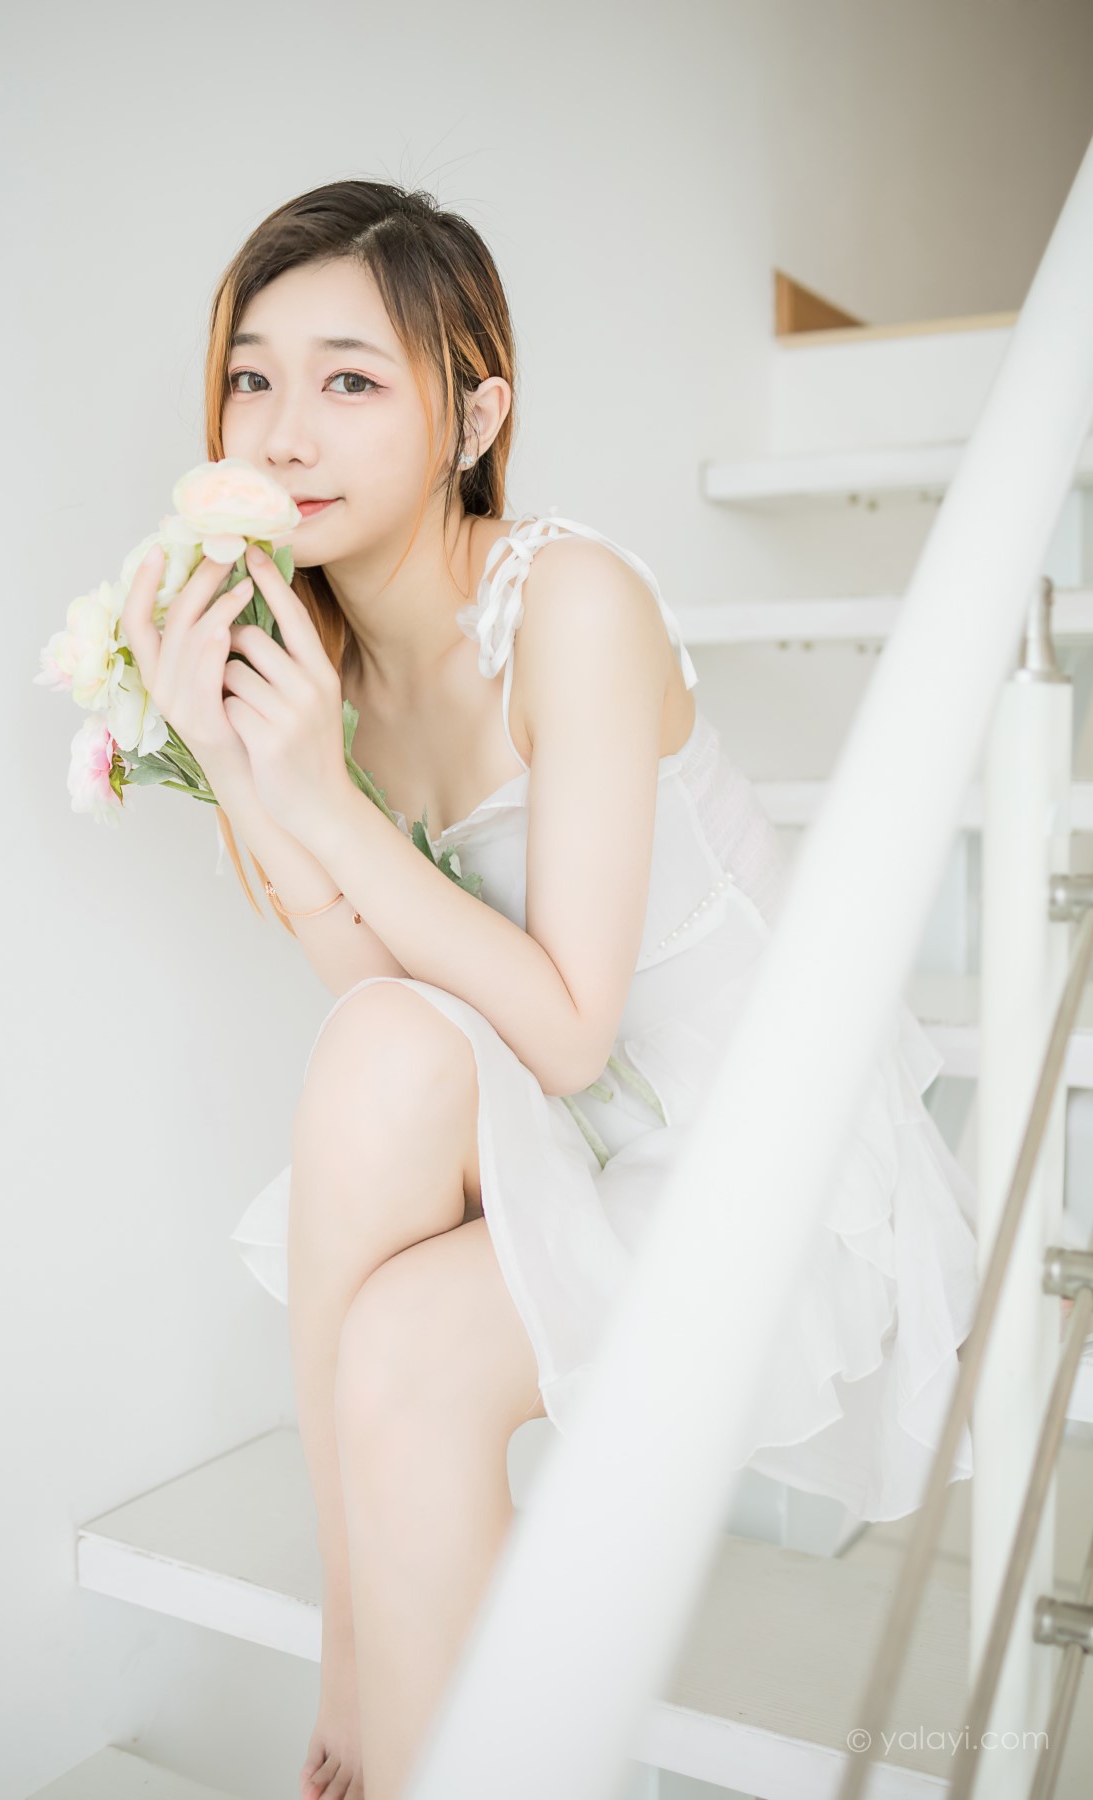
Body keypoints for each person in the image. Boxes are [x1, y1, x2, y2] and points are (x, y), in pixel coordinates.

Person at [121, 180, 980, 1800]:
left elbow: (573, 1025)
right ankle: (367, 1645)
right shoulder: (322, 663)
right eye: (252, 377)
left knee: (406, 1353)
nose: (285, 433)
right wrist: (241, 771)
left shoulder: (571, 601)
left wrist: (317, 802)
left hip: (748, 1142)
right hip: (569, 1131)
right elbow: (396, 1005)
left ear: (475, 414)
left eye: (350, 379)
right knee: (376, 1047)